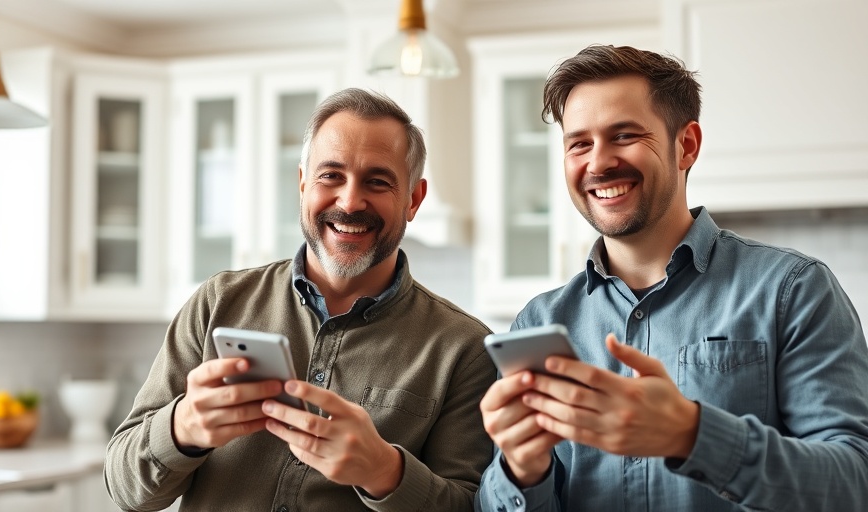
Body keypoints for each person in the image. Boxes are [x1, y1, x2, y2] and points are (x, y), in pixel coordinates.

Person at [475, 44, 868, 511]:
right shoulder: (539, 321)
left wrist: (691, 434)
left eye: (623, 135)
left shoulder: (793, 289)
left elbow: (853, 483)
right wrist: (520, 471)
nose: (597, 163)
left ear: (687, 145)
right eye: (579, 143)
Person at [105, 88, 497, 511]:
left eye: (377, 181)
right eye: (331, 175)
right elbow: (127, 490)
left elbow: (474, 504)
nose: (349, 201)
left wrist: (385, 471)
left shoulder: (465, 348)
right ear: (302, 184)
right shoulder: (218, 303)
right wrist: (182, 428)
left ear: (413, 200)